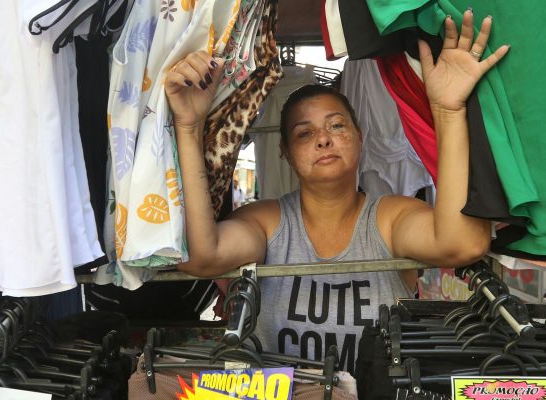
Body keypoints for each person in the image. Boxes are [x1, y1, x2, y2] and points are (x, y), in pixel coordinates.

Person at [165, 10, 508, 372]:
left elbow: (464, 245)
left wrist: (448, 110)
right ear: (285, 153)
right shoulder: (267, 221)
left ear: (360, 138)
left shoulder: (389, 218)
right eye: (305, 133)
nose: (324, 138)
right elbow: (201, 256)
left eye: (337, 125)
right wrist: (189, 126)